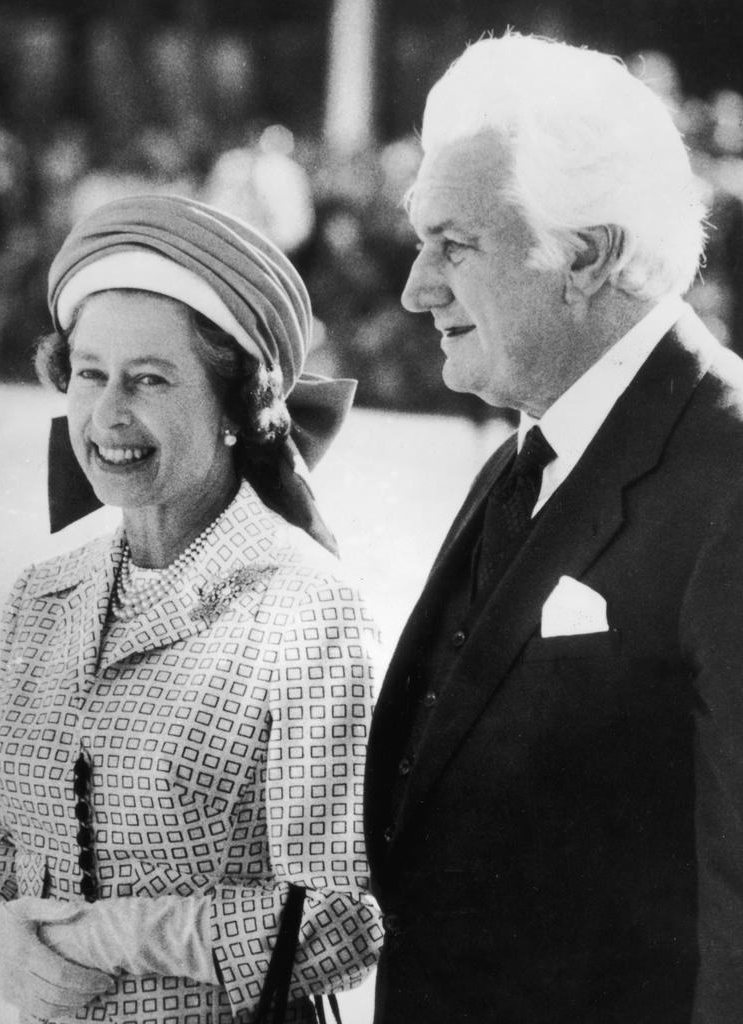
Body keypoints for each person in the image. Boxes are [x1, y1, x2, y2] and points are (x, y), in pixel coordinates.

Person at [364, 31, 743, 1024]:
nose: (416, 288)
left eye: (456, 243)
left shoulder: (732, 477)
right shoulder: (526, 458)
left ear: (588, 255)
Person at [0, 193, 382, 1024]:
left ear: (239, 405)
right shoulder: (44, 597)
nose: (108, 415)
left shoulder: (307, 607)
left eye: (150, 380)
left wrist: (109, 935)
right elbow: (0, 845)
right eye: (89, 374)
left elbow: (339, 920)